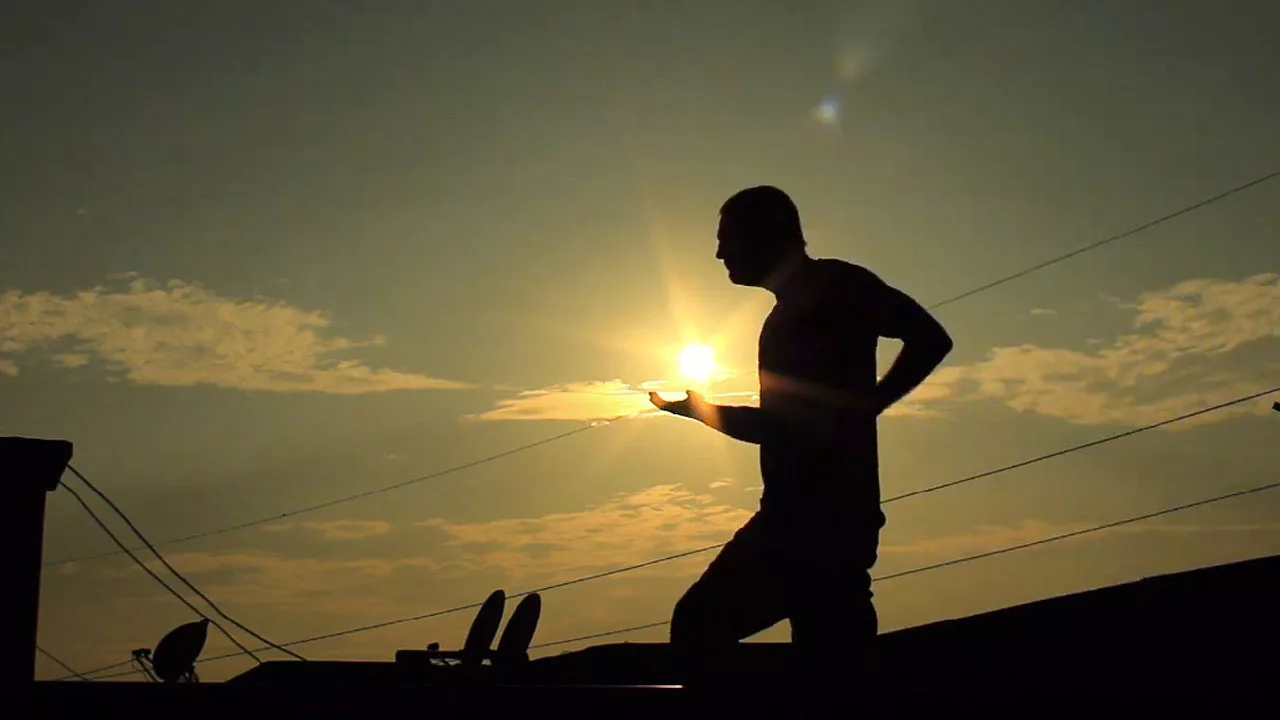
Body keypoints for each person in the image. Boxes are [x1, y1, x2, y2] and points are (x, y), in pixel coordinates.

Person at [649, 185, 954, 672]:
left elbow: (929, 338)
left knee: (700, 625)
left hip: (812, 524)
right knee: (827, 659)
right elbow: (786, 427)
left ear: (765, 236)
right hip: (813, 519)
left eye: (728, 238)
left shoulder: (834, 286)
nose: (720, 252)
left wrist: (871, 403)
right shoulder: (792, 309)